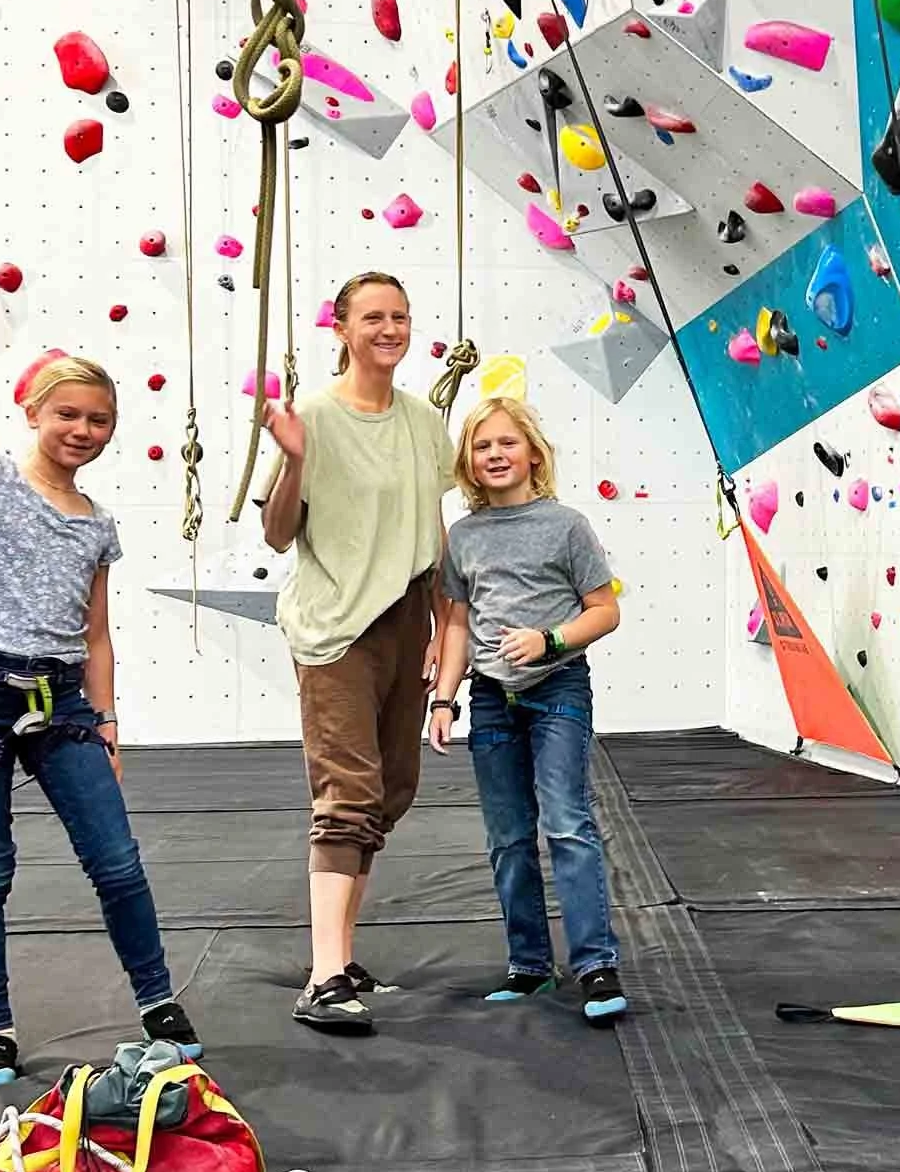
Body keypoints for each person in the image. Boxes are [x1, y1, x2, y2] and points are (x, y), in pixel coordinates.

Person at [0, 247, 198, 1086]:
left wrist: (105, 721)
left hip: (62, 695)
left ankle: (157, 1001)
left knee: (116, 859)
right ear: (30, 411)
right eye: (66, 414)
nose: (82, 431)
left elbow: (97, 632)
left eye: (98, 421)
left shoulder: (100, 521)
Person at [262, 271, 454, 1034]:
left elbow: (432, 529)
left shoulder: (421, 421)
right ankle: (323, 976)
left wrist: (444, 627)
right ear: (340, 328)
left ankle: (342, 957)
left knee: (390, 792)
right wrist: (295, 460)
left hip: (406, 619)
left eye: (401, 315)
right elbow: (278, 533)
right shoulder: (312, 414)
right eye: (373, 316)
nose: (390, 328)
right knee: (347, 796)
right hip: (338, 626)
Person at [429, 397, 627, 1026]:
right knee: (508, 837)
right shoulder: (463, 537)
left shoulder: (566, 526)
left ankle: (595, 962)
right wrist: (444, 696)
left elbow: (604, 610)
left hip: (558, 688)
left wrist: (551, 640)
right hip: (491, 698)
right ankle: (530, 965)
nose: (495, 455)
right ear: (468, 462)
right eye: (483, 447)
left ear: (533, 454)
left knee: (567, 822)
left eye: (507, 443)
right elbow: (457, 623)